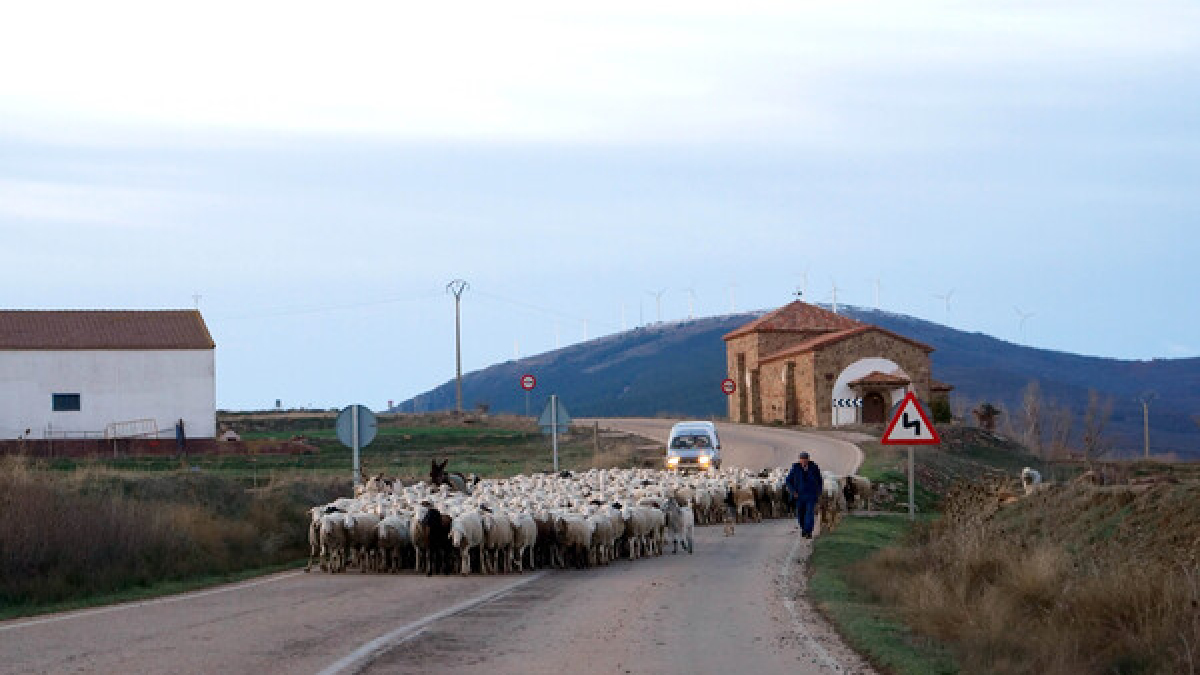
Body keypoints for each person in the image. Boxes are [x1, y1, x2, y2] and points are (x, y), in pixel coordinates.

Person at [785, 451, 823, 539]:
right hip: (799, 496)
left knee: (809, 513)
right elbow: (788, 480)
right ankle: (804, 529)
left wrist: (819, 491)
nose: (804, 461)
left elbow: (819, 480)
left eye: (805, 459)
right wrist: (793, 491)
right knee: (801, 514)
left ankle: (808, 531)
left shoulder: (814, 467)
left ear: (808, 459)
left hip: (811, 495)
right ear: (799, 460)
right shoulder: (795, 468)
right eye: (802, 459)